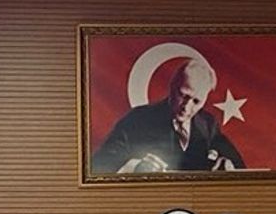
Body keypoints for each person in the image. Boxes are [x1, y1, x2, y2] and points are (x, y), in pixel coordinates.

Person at [91, 58, 244, 174]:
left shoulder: (208, 124)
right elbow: (98, 166)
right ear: (172, 87)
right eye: (183, 95)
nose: (186, 107)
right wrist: (135, 167)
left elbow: (239, 165)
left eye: (196, 101)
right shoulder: (137, 120)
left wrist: (228, 165)